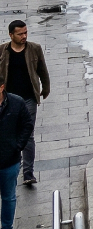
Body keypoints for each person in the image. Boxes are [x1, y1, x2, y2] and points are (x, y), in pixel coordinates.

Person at [0, 21, 49, 185]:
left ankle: (28, 173)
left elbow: (42, 69)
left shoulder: (34, 48)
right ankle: (11, 165)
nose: (24, 36)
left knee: (28, 134)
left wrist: (46, 87)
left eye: (26, 33)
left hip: (28, 99)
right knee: (8, 133)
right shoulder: (2, 51)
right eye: (20, 34)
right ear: (11, 35)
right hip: (8, 100)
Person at [0, 75, 33, 229]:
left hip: (9, 162)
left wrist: (17, 146)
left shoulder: (16, 102)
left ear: (1, 87)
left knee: (8, 197)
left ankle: (7, 227)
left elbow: (27, 125)